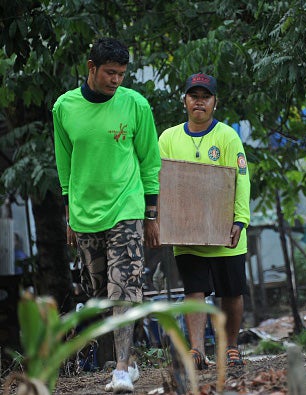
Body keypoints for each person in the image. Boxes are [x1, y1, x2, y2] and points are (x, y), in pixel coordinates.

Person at [53, 37, 161, 393]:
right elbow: (64, 162)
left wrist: (151, 213)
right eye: (110, 73)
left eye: (121, 74)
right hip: (85, 213)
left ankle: (120, 368)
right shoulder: (64, 108)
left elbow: (149, 160)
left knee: (125, 286)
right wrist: (68, 211)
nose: (116, 80)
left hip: (126, 208)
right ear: (91, 68)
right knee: (99, 291)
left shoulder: (136, 105)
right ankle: (128, 360)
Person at [158, 73, 250, 370]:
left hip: (225, 231)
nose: (199, 101)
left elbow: (241, 179)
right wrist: (160, 219)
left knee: (231, 291)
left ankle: (231, 347)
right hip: (187, 233)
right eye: (193, 95)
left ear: (214, 102)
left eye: (205, 96)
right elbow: (161, 180)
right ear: (184, 100)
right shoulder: (168, 138)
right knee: (194, 291)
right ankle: (197, 350)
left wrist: (240, 220)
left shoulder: (227, 136)